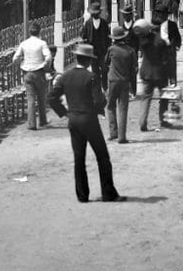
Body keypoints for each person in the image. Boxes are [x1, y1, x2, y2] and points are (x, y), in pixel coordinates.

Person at [48, 43, 125, 203]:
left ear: (76, 57)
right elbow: (99, 101)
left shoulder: (65, 76)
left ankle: (82, 196)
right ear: (89, 61)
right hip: (89, 120)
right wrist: (99, 107)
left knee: (79, 159)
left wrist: (64, 113)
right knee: (102, 156)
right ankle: (108, 193)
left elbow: (51, 98)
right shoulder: (91, 77)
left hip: (73, 120)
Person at [134, 17, 172, 131]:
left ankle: (142, 122)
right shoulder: (162, 41)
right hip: (160, 74)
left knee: (145, 99)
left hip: (146, 73)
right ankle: (163, 120)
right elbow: (167, 59)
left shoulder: (145, 40)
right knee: (164, 97)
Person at [12, 22, 52, 131]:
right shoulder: (42, 43)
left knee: (30, 99)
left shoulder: (24, 43)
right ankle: (43, 121)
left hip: (27, 73)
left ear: (30, 32)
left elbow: (15, 58)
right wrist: (45, 66)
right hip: (39, 72)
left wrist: (21, 64)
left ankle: (32, 124)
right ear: (40, 32)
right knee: (41, 97)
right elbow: (48, 57)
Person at [103, 25, 136, 143]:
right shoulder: (131, 50)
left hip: (113, 81)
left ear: (114, 38)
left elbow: (105, 63)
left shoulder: (111, 49)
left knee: (111, 106)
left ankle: (113, 133)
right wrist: (134, 87)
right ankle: (122, 137)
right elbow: (134, 71)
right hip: (125, 81)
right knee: (123, 108)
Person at [80, 2, 110, 91]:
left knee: (104, 70)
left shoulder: (104, 23)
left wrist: (108, 50)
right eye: (93, 14)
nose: (95, 15)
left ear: (99, 13)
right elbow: (83, 35)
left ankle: (105, 87)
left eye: (96, 14)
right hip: (92, 52)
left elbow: (108, 37)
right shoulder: (88, 23)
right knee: (95, 71)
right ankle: (97, 90)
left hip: (102, 51)